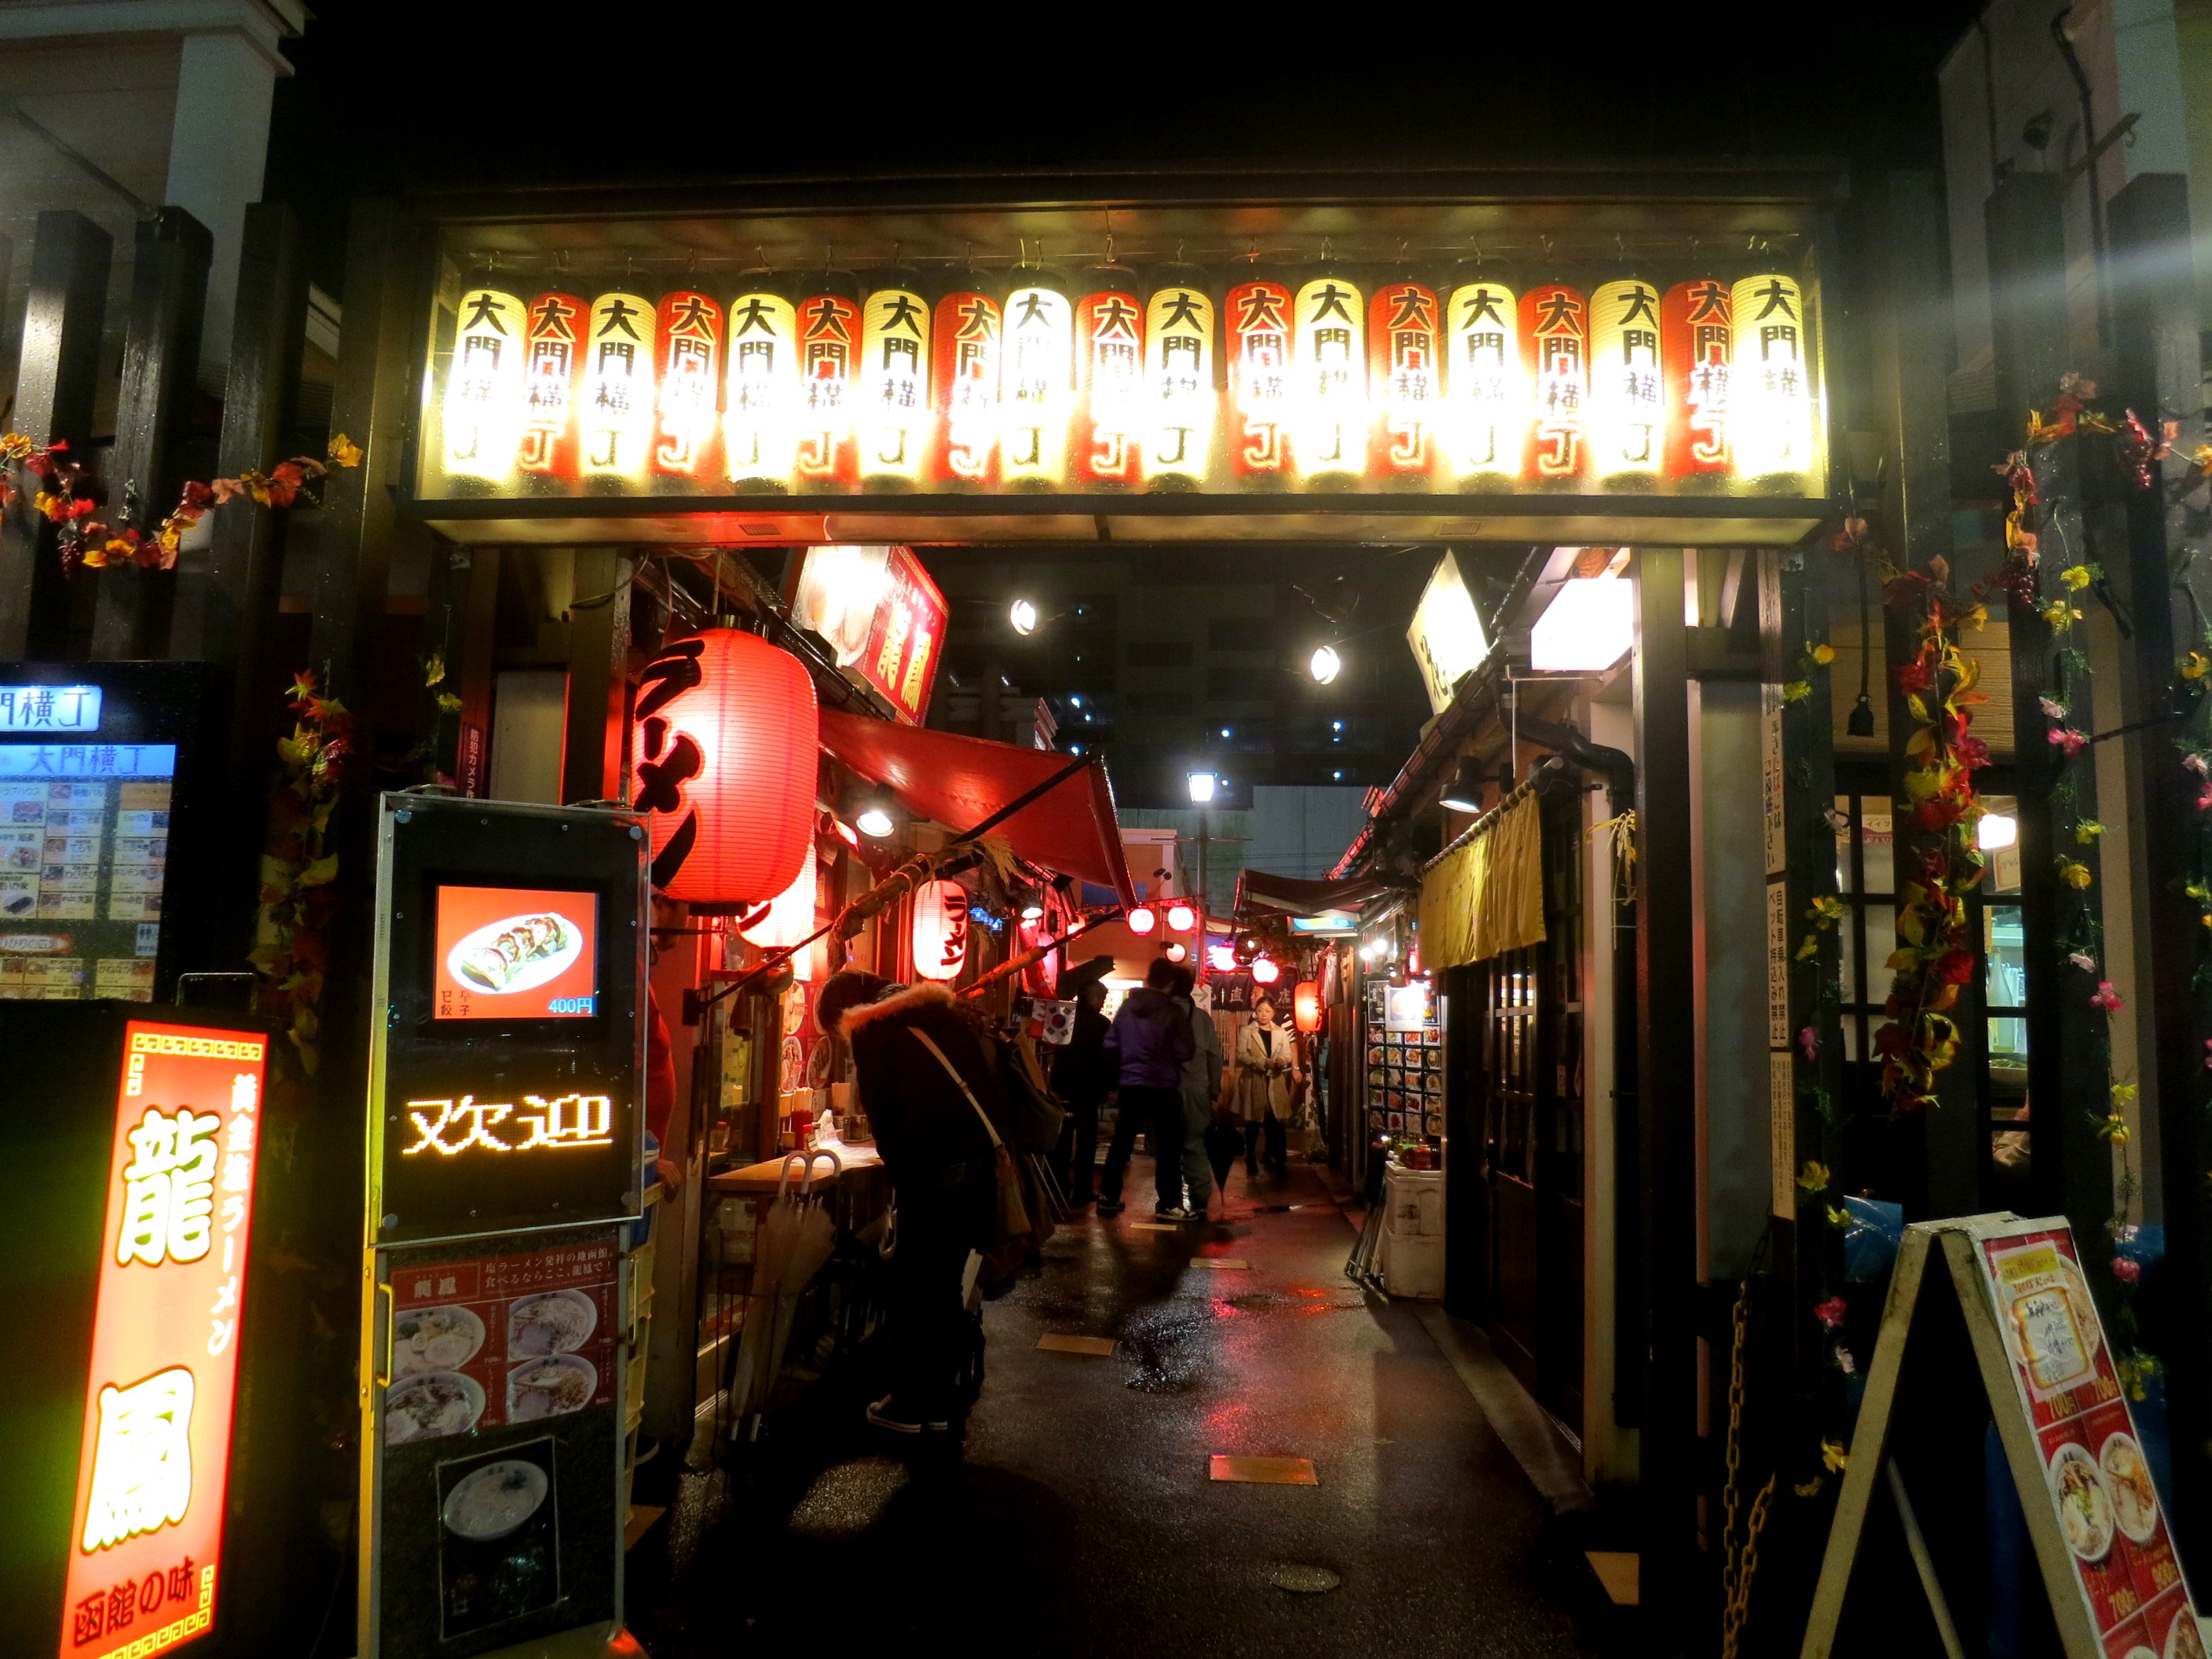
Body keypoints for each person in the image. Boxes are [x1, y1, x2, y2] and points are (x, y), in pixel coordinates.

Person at [819, 968, 1004, 1435]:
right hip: (977, 1162)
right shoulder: (939, 1015)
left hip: (937, 1168)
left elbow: (884, 1117)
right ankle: (941, 1403)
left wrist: (903, 1180)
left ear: (847, 1014)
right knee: (943, 1285)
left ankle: (913, 1404)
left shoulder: (874, 1029)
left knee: (918, 1284)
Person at [1095, 957, 1195, 1218]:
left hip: (1131, 1083)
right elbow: (1185, 1050)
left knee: (1122, 1141)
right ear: (1171, 982)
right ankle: (1168, 1202)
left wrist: (1128, 1062)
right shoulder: (1173, 1012)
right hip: (1163, 1085)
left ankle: (1107, 1196)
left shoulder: (1127, 1008)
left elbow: (1109, 1044)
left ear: (1149, 978)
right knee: (1167, 1146)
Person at [1049, 978, 1112, 1203]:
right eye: (1102, 999)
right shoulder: (1102, 1024)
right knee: (1086, 1142)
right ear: (1093, 997)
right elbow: (1108, 1059)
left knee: (1062, 1140)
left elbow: (1053, 1049)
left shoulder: (1064, 1018)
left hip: (1062, 1087)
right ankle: (1082, 1189)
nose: (1103, 1004)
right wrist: (1108, 1086)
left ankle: (1058, 1186)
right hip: (1088, 1089)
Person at [1167, 965, 1223, 1221]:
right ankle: (1201, 1198)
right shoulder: (1202, 1019)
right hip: (1197, 1090)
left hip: (1165, 1090)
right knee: (1194, 1144)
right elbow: (1214, 1057)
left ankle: (1170, 1200)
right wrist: (1214, 1090)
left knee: (1167, 1147)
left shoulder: (1159, 1015)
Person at [1230, 992, 1301, 1178]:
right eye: (1260, 1010)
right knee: (1254, 1121)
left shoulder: (1280, 1031)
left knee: (1276, 1121)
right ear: (1256, 1011)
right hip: (1256, 1080)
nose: (1263, 1014)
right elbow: (1242, 1056)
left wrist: (1282, 1062)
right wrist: (1262, 1062)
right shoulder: (1248, 1031)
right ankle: (1251, 1158)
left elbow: (1288, 1055)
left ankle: (1279, 1158)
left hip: (1275, 1080)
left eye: (1267, 1011)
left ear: (1273, 1012)